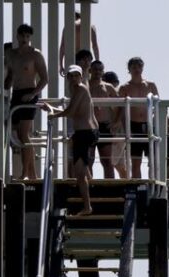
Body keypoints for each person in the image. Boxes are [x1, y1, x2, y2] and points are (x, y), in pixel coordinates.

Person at [44, 65, 99, 215]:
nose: (74, 78)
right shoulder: (77, 90)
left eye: (76, 75)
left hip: (85, 133)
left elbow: (71, 111)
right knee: (83, 169)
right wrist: (51, 108)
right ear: (67, 77)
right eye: (71, 76)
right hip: (84, 133)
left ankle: (87, 206)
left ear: (81, 77)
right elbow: (73, 111)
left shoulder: (81, 88)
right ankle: (89, 190)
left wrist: (53, 114)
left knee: (79, 173)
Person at [5, 24, 48, 181]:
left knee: (24, 133)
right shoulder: (11, 54)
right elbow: (10, 75)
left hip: (29, 93)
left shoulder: (35, 55)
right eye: (22, 36)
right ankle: (32, 174)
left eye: (27, 37)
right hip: (16, 94)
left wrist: (32, 94)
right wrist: (4, 90)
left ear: (30, 38)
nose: (24, 39)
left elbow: (45, 79)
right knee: (16, 132)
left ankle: (26, 173)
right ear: (17, 36)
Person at [117, 57, 159, 179]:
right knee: (136, 162)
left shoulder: (150, 85)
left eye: (139, 66)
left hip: (148, 125)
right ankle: (137, 185)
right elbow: (121, 110)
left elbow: (157, 106)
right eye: (133, 67)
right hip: (133, 125)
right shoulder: (124, 87)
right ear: (129, 69)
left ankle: (153, 183)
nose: (136, 69)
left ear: (142, 68)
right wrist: (124, 128)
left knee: (153, 160)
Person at [89, 60, 117, 179]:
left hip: (105, 126)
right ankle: (90, 186)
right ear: (90, 70)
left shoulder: (108, 87)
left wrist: (116, 121)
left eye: (100, 70)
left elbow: (121, 105)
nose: (97, 72)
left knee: (107, 161)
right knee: (89, 160)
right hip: (89, 125)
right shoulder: (85, 85)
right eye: (95, 69)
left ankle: (110, 188)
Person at [102, 71, 130, 178]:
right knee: (119, 164)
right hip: (118, 131)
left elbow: (120, 109)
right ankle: (125, 183)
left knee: (112, 162)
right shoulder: (113, 93)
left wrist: (116, 123)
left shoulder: (114, 94)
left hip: (116, 132)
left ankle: (123, 184)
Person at [58, 11, 100, 76]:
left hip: (73, 57)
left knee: (73, 79)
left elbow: (62, 47)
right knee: (85, 78)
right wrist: (97, 61)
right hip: (86, 57)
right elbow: (95, 46)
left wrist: (60, 65)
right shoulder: (90, 26)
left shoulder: (68, 26)